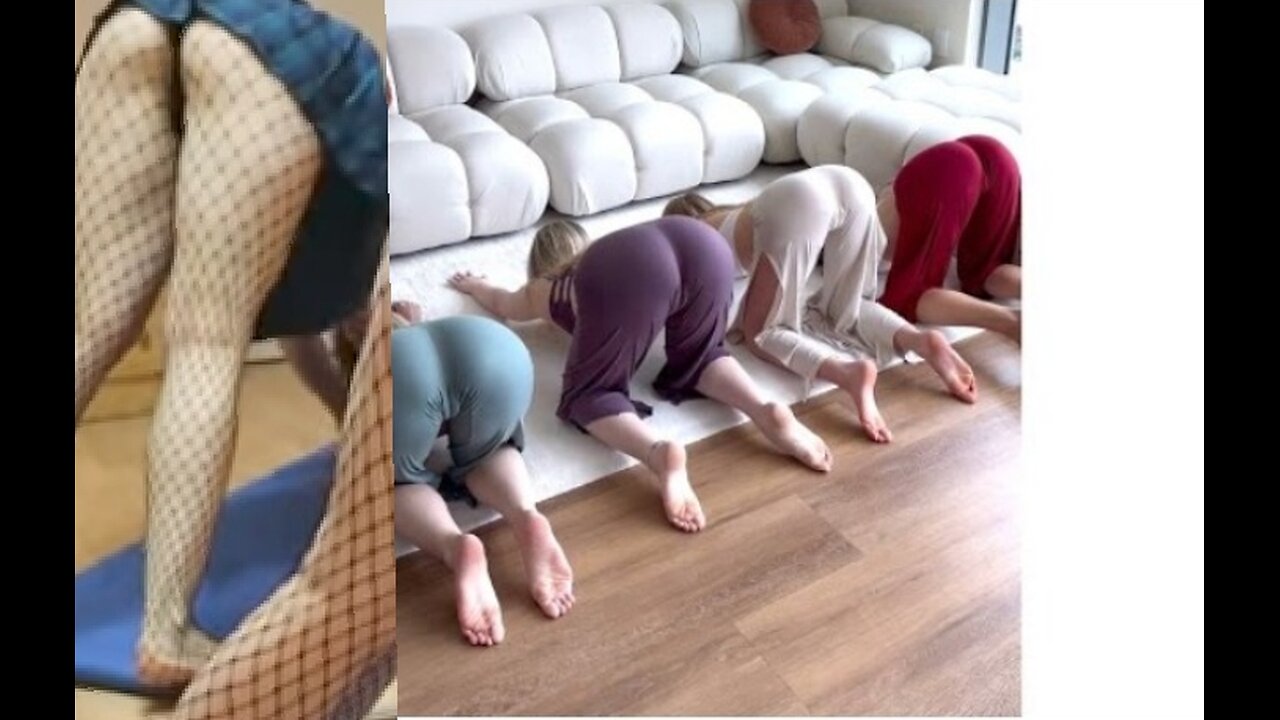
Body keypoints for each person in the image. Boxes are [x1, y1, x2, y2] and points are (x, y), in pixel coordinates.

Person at [74, 0, 386, 686]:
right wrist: (354, 424)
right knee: (207, 343)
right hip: (268, 50)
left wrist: (339, 419)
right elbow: (330, 319)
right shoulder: (365, 197)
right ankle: (166, 633)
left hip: (135, 19)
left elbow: (305, 326)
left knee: (87, 334)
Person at [450, 217, 833, 535]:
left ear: (540, 265)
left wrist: (475, 285)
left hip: (635, 271)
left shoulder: (545, 286)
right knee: (702, 355)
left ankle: (658, 454)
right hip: (704, 243)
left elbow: (502, 303)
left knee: (588, 395)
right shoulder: (610, 248)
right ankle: (764, 407)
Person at [664, 165, 977, 444]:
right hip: (850, 182)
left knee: (761, 331)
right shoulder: (745, 209)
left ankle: (846, 373)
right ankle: (918, 339)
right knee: (846, 306)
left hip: (800, 204)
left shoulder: (694, 231)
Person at [329, 302, 575, 647]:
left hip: (398, 374)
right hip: (493, 346)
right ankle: (525, 515)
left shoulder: (371, 366)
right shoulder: (415, 328)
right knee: (490, 449)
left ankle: (455, 545)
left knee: (395, 481)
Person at [877, 136, 1022, 343]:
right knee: (985, 272)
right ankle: (1016, 319)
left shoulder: (864, 240)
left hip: (949, 169)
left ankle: (1012, 322)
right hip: (991, 153)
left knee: (907, 296)